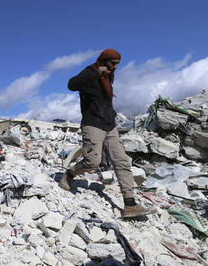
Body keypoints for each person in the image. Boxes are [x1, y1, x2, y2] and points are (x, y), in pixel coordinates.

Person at [59, 49, 155, 219]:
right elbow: (71, 84)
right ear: (104, 61)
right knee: (92, 161)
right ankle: (70, 174)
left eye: (118, 63)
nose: (116, 67)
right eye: (113, 63)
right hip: (92, 124)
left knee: (122, 162)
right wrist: (96, 73)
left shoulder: (109, 75)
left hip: (110, 125)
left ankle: (130, 204)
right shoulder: (91, 71)